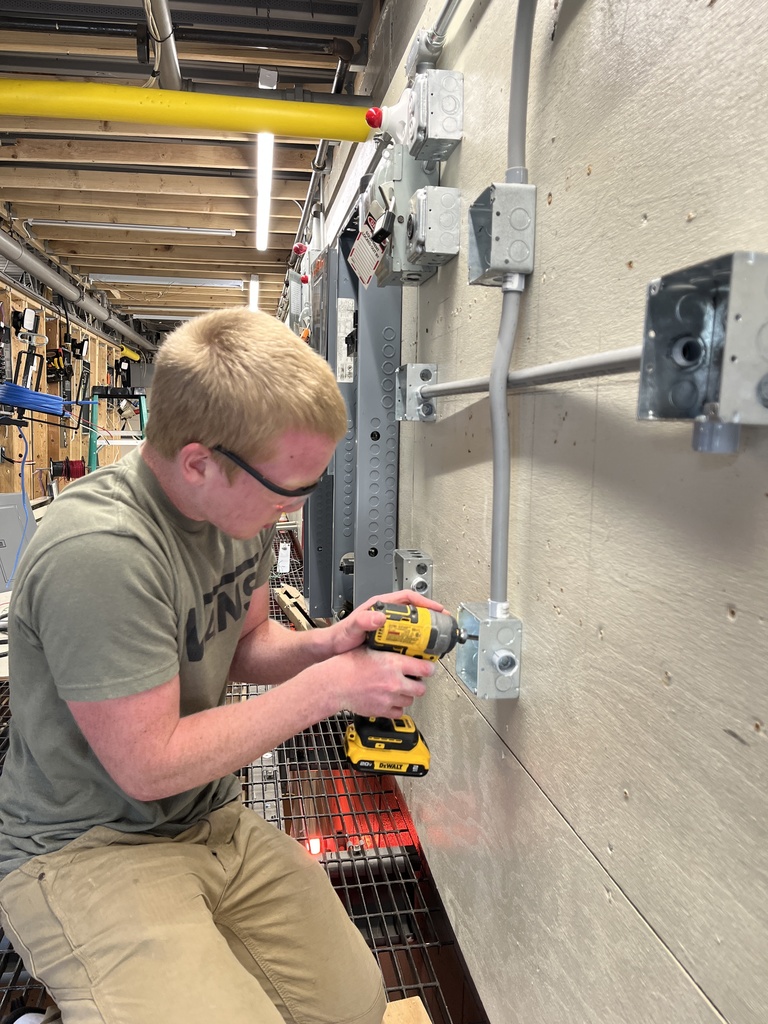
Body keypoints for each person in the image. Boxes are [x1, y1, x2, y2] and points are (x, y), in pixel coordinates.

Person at [0, 308, 441, 1024]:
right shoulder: (103, 553)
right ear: (199, 461)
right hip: (88, 845)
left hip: (206, 816)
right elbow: (149, 765)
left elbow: (243, 643)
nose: (293, 509)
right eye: (288, 490)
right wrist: (330, 689)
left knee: (353, 1008)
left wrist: (329, 644)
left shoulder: (238, 516)